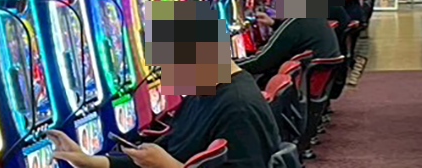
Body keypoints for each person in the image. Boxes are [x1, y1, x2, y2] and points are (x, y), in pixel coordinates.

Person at [47, 59, 280, 168]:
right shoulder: (205, 91)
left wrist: (168, 166)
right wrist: (90, 162)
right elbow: (163, 152)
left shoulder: (239, 108)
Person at [237, 12, 341, 80]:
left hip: (293, 88)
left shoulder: (297, 23)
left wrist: (230, 66)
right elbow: (295, 33)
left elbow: (261, 63)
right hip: (307, 84)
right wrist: (275, 24)